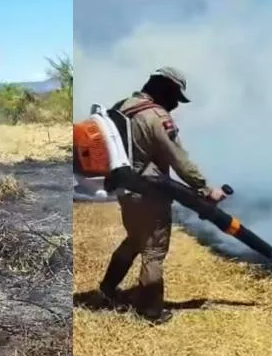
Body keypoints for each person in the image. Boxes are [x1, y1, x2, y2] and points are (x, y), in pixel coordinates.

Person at [97, 66, 226, 325]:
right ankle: (151, 310)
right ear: (165, 89)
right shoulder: (156, 116)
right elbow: (179, 159)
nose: (175, 105)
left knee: (135, 239)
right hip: (150, 193)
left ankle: (108, 289)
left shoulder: (121, 107)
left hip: (125, 190)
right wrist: (205, 189)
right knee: (154, 250)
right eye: (175, 97)